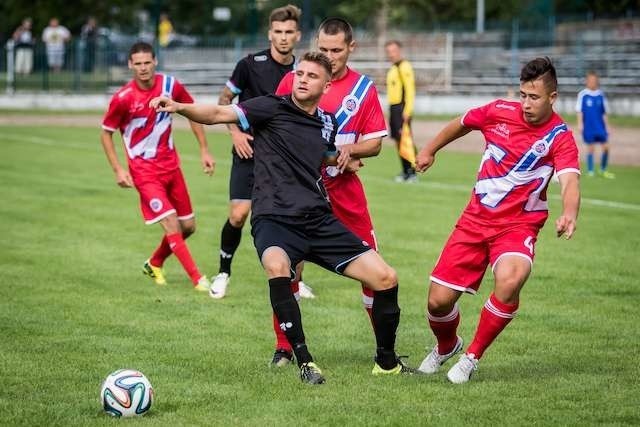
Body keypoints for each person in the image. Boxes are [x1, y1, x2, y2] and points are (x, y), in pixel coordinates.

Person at [151, 51, 414, 384]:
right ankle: (305, 362)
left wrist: (343, 158)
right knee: (277, 267)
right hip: (274, 219)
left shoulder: (328, 121)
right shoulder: (270, 107)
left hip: (319, 221)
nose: (302, 79)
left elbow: (321, 155)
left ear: (327, 84)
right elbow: (218, 112)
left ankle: (386, 362)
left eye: (311, 76)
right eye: (300, 73)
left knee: (386, 278)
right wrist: (179, 107)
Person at [415, 57, 581, 384]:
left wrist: (569, 212)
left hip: (517, 227)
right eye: (523, 95)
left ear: (552, 97)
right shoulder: (498, 111)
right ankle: (447, 345)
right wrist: (430, 149)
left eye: (534, 97)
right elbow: (461, 122)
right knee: (438, 302)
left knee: (511, 278)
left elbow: (570, 180)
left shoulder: (560, 137)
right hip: (474, 221)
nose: (526, 103)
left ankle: (471, 356)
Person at [272, 17, 388, 366]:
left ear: (351, 48)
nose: (329, 55)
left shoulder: (363, 89)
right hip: (301, 192)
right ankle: (284, 348)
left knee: (375, 273)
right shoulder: (295, 81)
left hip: (346, 194)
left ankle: (385, 352)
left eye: (336, 50)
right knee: (287, 268)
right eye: (323, 48)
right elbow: (278, 129)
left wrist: (352, 151)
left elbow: (375, 143)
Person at [100, 42, 214, 292]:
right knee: (172, 223)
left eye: (147, 62)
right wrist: (118, 169)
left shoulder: (170, 86)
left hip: (172, 168)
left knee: (188, 227)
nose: (143, 68)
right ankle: (199, 280)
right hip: (144, 172)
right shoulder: (123, 98)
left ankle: (155, 262)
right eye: (137, 63)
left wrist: (204, 149)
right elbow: (106, 133)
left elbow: (193, 112)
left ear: (155, 62)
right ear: (130, 65)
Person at [209, 4, 303, 300]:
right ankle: (223, 272)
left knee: (295, 215)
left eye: (289, 32)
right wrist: (235, 132)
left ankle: (295, 278)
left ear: (298, 36)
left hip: (284, 157)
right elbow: (225, 99)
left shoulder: (302, 71)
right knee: (238, 215)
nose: (283, 37)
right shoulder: (249, 64)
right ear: (269, 33)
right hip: (249, 151)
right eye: (278, 32)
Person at [385, 40, 417, 182]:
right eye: (389, 52)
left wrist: (407, 111)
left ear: (399, 51)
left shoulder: (405, 67)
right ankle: (405, 171)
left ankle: (412, 171)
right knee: (398, 140)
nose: (391, 54)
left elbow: (410, 90)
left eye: (394, 51)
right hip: (394, 108)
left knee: (405, 139)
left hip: (401, 108)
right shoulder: (393, 69)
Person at [576, 71, 613, 178]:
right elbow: (579, 111)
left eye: (594, 80)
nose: (592, 82)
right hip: (589, 126)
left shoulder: (601, 95)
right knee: (591, 148)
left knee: (606, 147)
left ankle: (603, 169)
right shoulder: (583, 94)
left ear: (597, 81)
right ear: (587, 81)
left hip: (600, 126)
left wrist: (607, 126)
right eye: (590, 80)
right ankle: (591, 170)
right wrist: (580, 124)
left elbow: (604, 113)